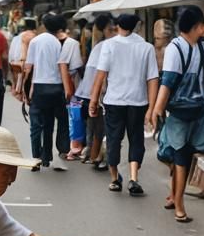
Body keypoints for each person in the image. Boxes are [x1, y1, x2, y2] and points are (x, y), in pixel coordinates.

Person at [151, 5, 204, 223]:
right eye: (203, 25)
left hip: (196, 112)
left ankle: (175, 198)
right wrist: (156, 110)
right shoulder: (176, 49)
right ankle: (179, 203)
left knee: (183, 156)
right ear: (196, 27)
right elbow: (168, 82)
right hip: (184, 112)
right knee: (180, 157)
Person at [88, 13, 158, 196]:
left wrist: (93, 100)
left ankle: (114, 179)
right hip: (138, 101)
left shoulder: (108, 45)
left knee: (113, 139)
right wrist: (151, 107)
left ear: (118, 25)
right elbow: (152, 79)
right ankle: (133, 178)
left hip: (114, 101)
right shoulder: (147, 47)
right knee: (136, 139)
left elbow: (100, 74)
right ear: (137, 26)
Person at [21, 13, 70, 170]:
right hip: (55, 87)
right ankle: (47, 156)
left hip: (39, 87)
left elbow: (28, 68)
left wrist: (23, 89)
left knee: (35, 124)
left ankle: (36, 158)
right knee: (49, 123)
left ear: (44, 25)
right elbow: (61, 67)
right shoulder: (58, 43)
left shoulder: (35, 41)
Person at [74, 15, 114, 168]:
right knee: (100, 126)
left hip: (88, 92)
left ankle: (91, 153)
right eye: (111, 29)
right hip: (99, 94)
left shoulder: (99, 46)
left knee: (93, 124)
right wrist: (98, 95)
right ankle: (98, 155)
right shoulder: (106, 46)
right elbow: (100, 74)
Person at [57, 22, 84, 160]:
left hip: (59, 86)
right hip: (72, 88)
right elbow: (77, 66)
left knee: (69, 117)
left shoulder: (52, 42)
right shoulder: (72, 43)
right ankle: (74, 147)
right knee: (74, 117)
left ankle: (71, 147)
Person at [8, 17, 36, 96]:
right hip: (28, 68)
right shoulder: (33, 36)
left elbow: (11, 57)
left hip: (16, 67)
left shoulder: (15, 38)